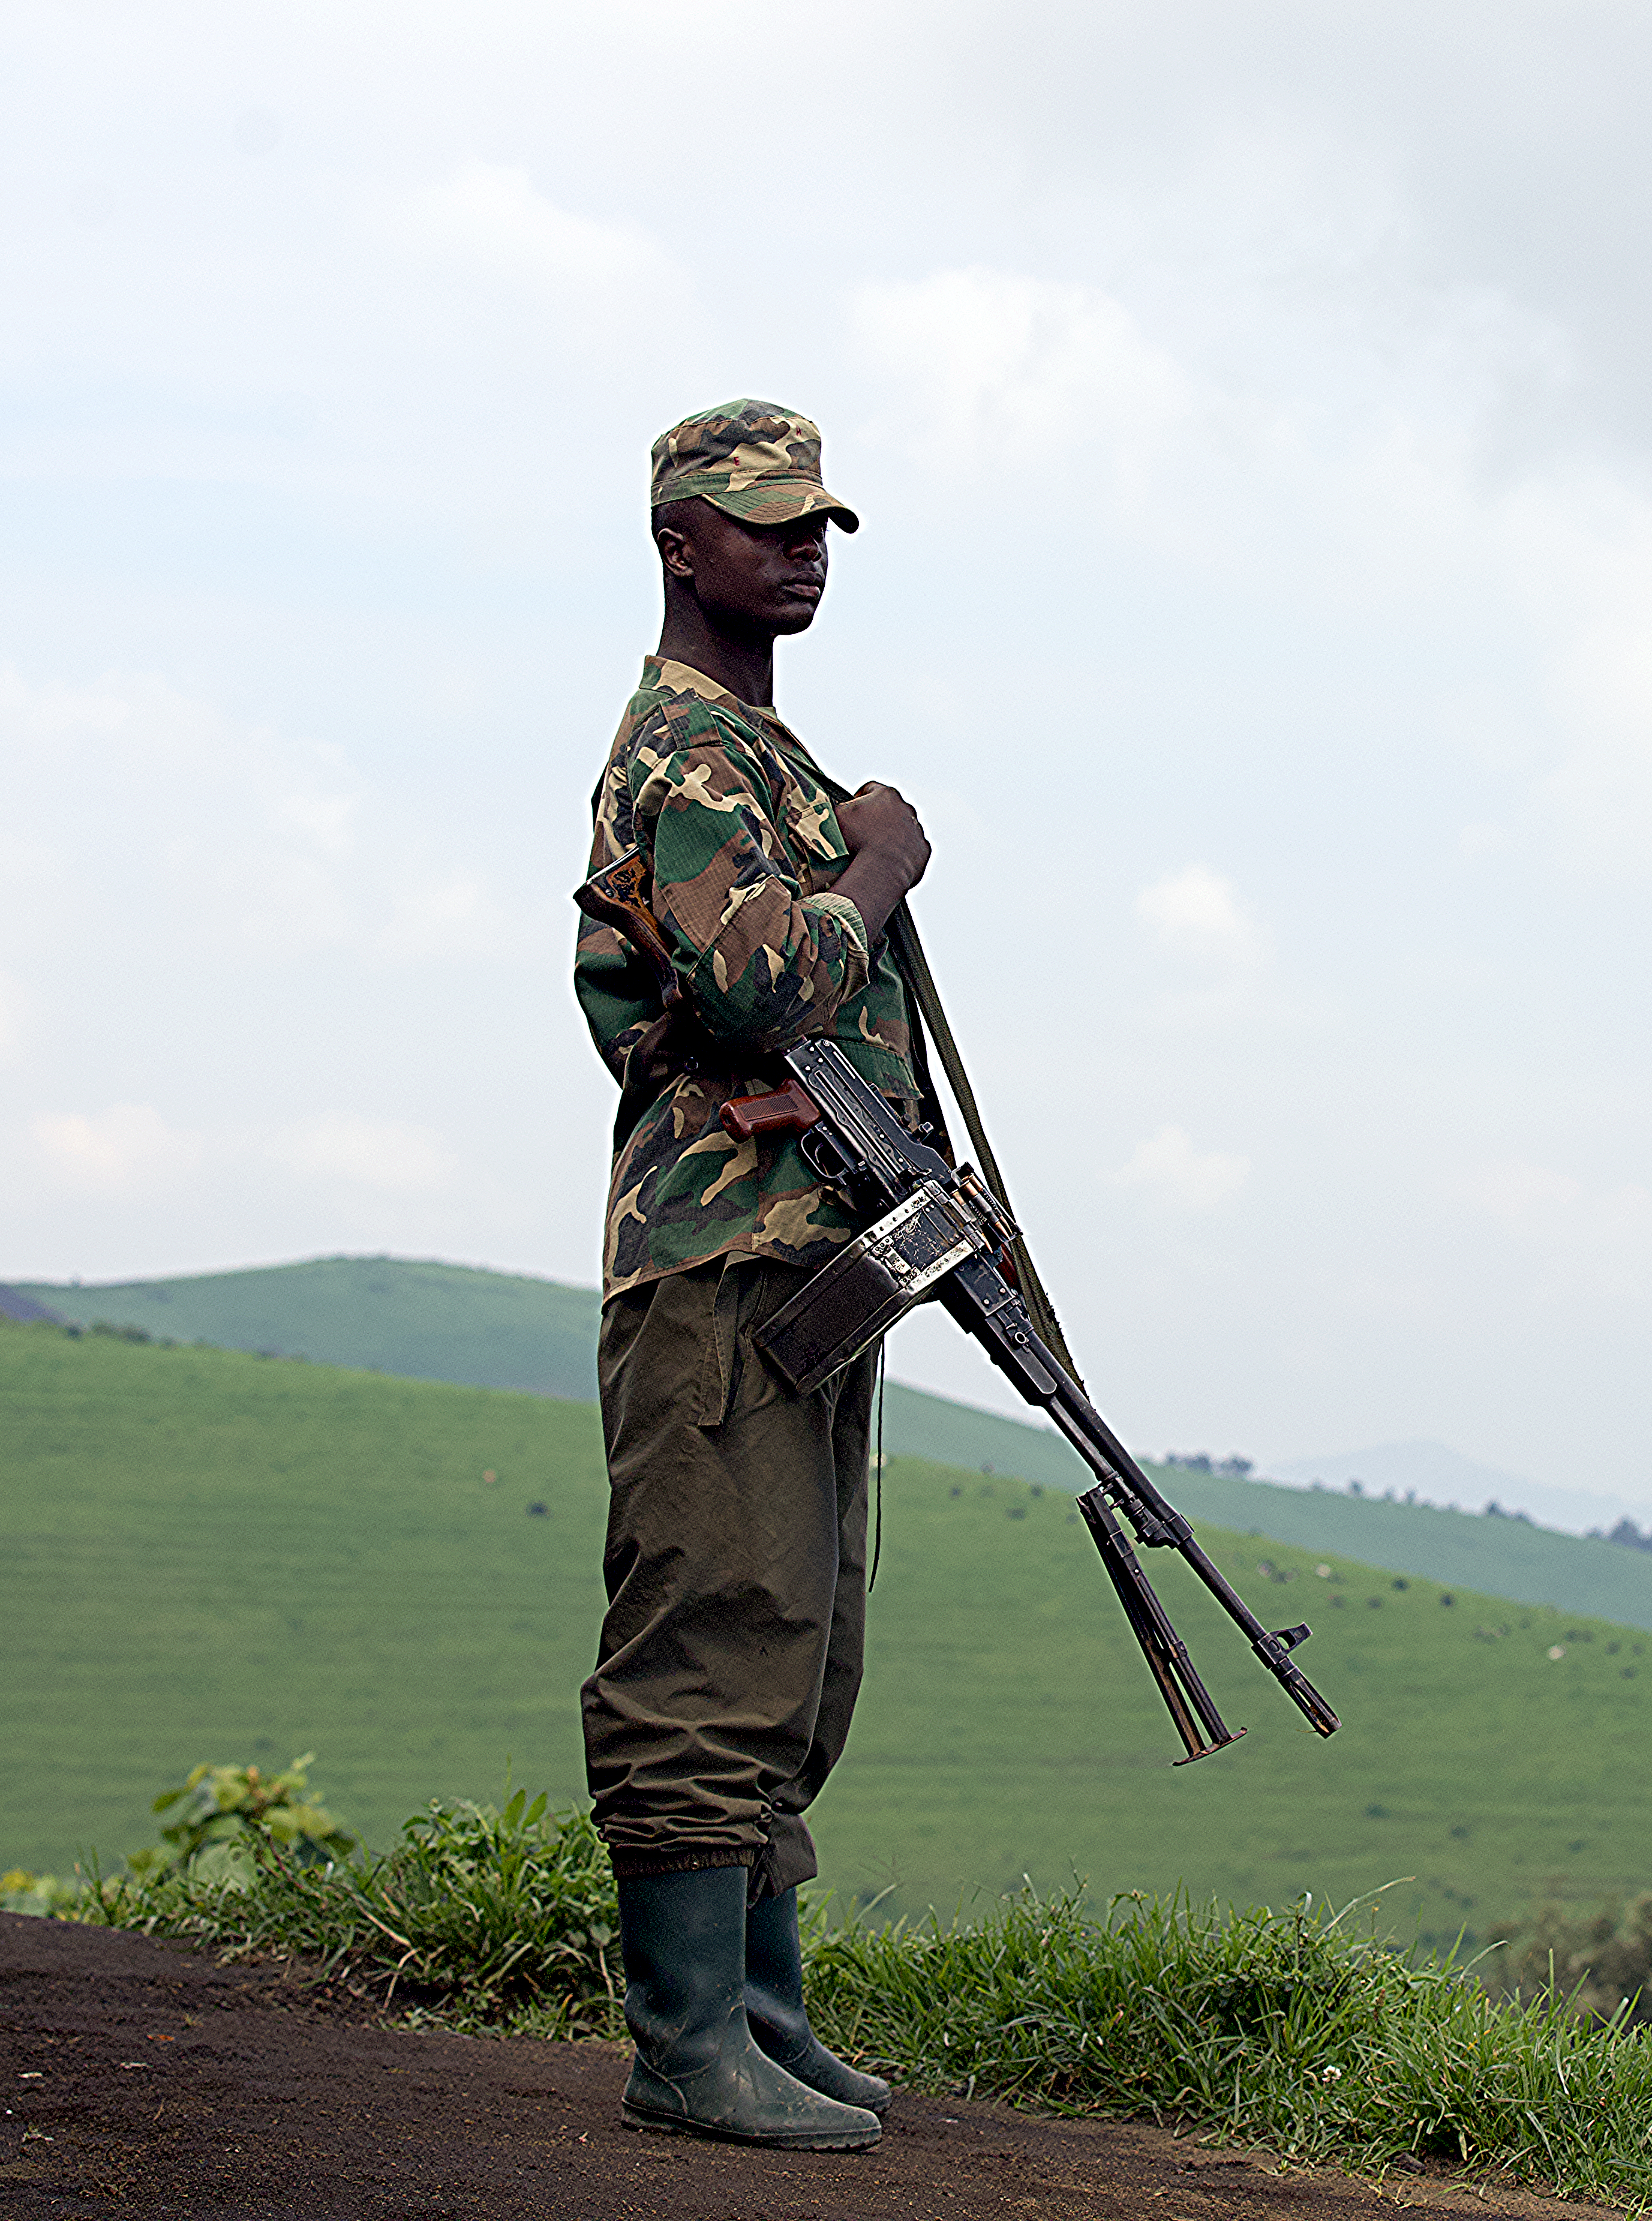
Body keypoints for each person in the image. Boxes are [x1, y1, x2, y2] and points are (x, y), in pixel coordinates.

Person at [569, 399, 931, 2151]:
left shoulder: (757, 755)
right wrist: (881, 858)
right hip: (716, 1256)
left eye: (818, 526)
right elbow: (756, 997)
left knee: (797, 1633)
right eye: (763, 520)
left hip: (798, 1249)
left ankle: (762, 2019)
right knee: (716, 1624)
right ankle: (686, 2047)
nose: (800, 548)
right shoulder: (687, 755)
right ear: (676, 540)